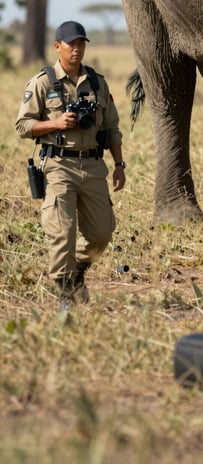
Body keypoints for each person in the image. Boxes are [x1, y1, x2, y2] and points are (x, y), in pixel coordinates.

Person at [15, 20, 126, 309]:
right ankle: (65, 292)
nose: (76, 49)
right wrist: (56, 122)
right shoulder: (42, 82)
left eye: (81, 44)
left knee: (101, 235)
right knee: (62, 232)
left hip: (93, 166)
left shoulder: (98, 82)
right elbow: (23, 125)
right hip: (58, 165)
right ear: (57, 47)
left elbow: (112, 127)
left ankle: (77, 272)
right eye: (71, 44)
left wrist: (119, 164)